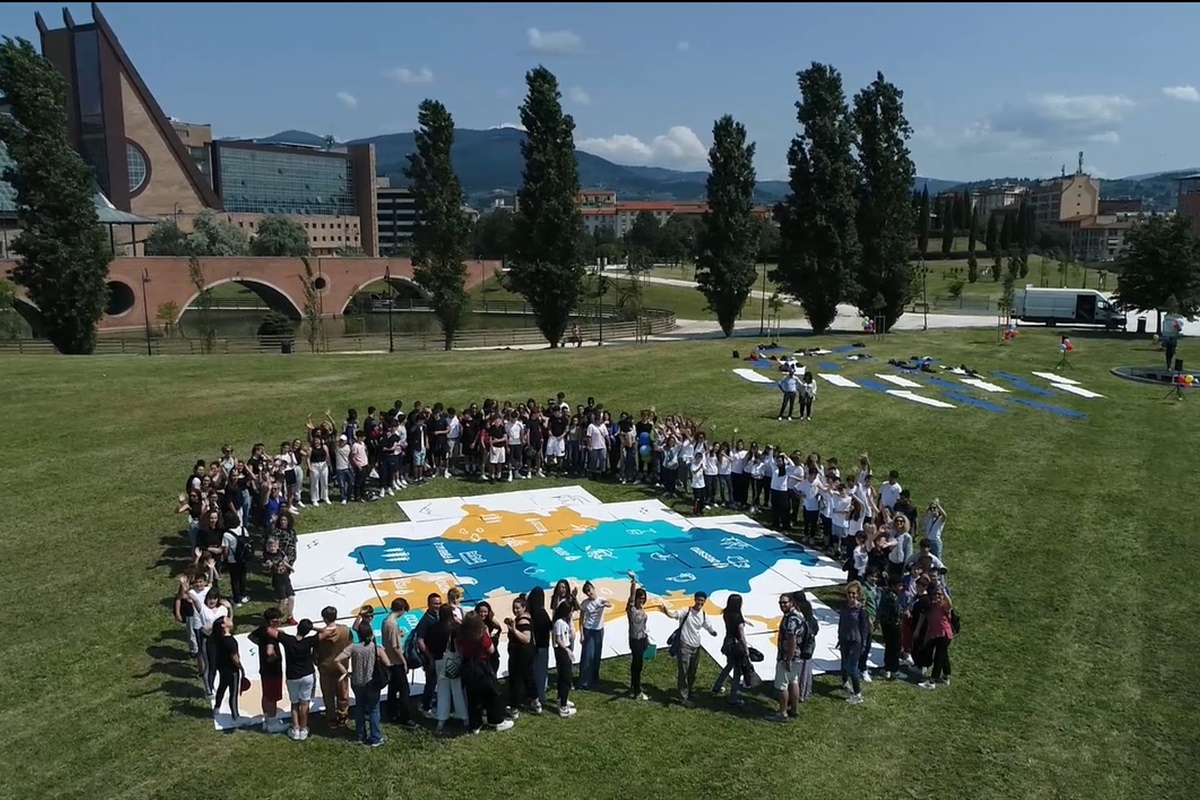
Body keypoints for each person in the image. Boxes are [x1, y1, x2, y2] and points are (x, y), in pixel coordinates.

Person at [458, 612, 514, 733]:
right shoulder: (481, 634)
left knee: (472, 697)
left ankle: (475, 725)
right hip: (482, 666)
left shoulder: (462, 635)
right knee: (493, 693)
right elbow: (491, 649)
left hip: (468, 666)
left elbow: (460, 650)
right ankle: (497, 721)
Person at [336, 621, 390, 747]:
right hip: (372, 682)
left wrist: (346, 672)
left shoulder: (353, 647)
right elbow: (387, 662)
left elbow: (337, 659)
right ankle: (376, 737)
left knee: (359, 708)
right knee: (374, 710)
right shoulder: (375, 648)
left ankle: (360, 735)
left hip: (356, 682)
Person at [660, 591, 718, 708]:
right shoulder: (686, 611)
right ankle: (683, 697)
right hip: (684, 645)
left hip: (696, 647)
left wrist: (713, 632)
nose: (700, 602)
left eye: (702, 601)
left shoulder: (704, 614)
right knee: (684, 672)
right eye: (698, 600)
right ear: (694, 599)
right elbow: (673, 615)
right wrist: (666, 611)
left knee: (692, 672)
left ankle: (689, 691)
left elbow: (708, 627)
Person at [248, 607, 288, 732]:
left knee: (266, 695)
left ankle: (267, 719)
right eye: (278, 619)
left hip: (264, 669)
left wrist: (261, 644)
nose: (280, 621)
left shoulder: (262, 630)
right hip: (273, 670)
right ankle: (273, 723)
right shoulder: (271, 636)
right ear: (272, 621)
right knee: (272, 697)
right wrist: (274, 657)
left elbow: (251, 637)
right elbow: (270, 652)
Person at [381, 598, 418, 730]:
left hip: (389, 660)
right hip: (396, 661)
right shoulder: (392, 624)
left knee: (393, 689)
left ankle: (391, 713)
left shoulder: (386, 621)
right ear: (402, 609)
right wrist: (403, 662)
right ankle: (405, 718)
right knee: (404, 691)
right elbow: (396, 647)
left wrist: (398, 634)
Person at [278, 619, 318, 740]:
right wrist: (314, 628)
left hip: (292, 676)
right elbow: (326, 632)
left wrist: (281, 631)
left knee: (294, 703)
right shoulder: (310, 641)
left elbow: (273, 631)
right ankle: (303, 728)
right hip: (307, 675)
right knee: (305, 703)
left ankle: (295, 728)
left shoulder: (288, 640)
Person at [768, 593, 804, 722]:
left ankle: (782, 713)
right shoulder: (799, 615)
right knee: (793, 682)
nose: (782, 605)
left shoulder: (791, 619)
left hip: (788, 657)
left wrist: (787, 659)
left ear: (792, 603)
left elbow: (792, 639)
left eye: (785, 603)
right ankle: (794, 709)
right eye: (781, 603)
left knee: (782, 685)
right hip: (799, 657)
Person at [315, 606, 352, 728]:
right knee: (343, 692)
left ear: (324, 618)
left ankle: (331, 718)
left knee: (328, 695)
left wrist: (317, 662)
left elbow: (315, 653)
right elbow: (350, 644)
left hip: (326, 668)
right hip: (342, 667)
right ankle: (342, 715)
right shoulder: (345, 630)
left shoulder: (320, 635)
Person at [711, 593, 749, 706]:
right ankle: (733, 698)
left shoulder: (726, 613)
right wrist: (746, 651)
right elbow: (742, 636)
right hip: (737, 647)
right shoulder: (738, 619)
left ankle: (717, 686)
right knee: (737, 672)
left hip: (728, 642)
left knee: (729, 666)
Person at [838, 582, 871, 705]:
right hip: (844, 639)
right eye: (849, 593)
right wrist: (839, 636)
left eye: (853, 593)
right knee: (844, 663)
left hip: (855, 641)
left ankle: (857, 694)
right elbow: (841, 622)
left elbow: (864, 629)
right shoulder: (844, 606)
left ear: (858, 594)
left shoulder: (861, 610)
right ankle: (844, 682)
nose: (851, 595)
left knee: (852, 668)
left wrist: (863, 645)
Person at [577, 581, 612, 690]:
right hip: (589, 630)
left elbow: (609, 603)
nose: (589, 593)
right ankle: (584, 681)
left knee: (597, 655)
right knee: (588, 656)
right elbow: (581, 619)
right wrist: (582, 634)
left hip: (599, 630)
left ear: (593, 588)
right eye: (587, 592)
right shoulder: (585, 603)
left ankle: (594, 678)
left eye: (589, 590)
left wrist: (604, 604)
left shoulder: (600, 599)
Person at [625, 573, 650, 701]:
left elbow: (643, 626)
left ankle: (634, 685)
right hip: (635, 640)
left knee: (637, 665)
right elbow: (631, 598)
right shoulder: (632, 609)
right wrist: (634, 582)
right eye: (639, 598)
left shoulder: (642, 609)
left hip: (642, 639)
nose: (641, 600)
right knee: (637, 665)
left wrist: (647, 638)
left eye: (643, 598)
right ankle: (637, 691)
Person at [551, 599, 578, 717]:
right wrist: (567, 650)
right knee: (566, 677)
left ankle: (562, 698)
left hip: (563, 650)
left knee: (563, 677)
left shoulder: (562, 622)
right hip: (562, 651)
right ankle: (563, 707)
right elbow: (558, 639)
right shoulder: (560, 623)